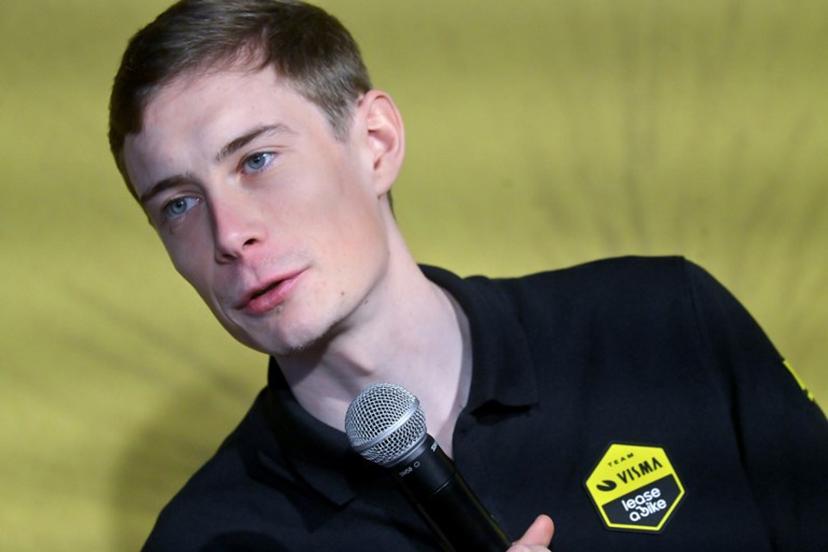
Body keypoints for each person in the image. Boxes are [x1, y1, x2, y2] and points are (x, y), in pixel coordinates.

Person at [108, 1, 827, 550]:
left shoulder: (660, 326)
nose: (230, 235)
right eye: (178, 204)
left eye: (257, 160)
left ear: (376, 143)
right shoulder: (208, 537)